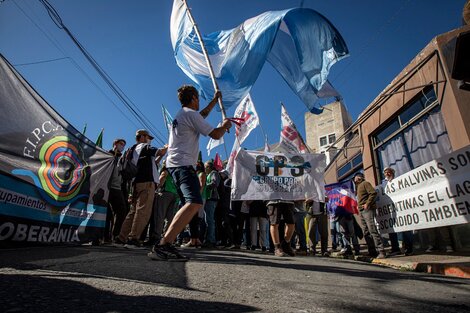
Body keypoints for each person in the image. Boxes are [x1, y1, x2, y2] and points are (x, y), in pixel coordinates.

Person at [148, 85, 232, 261]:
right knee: (194, 202)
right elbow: (216, 135)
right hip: (183, 165)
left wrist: (214, 101)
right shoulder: (190, 114)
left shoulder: (184, 114)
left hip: (175, 165)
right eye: (198, 98)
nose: (199, 101)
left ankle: (167, 243)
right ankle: (163, 245)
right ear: (194, 98)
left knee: (190, 204)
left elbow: (201, 115)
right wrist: (224, 126)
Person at [118, 130, 167, 249]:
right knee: (143, 211)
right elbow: (160, 151)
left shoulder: (134, 149)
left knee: (133, 211)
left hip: (137, 182)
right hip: (146, 183)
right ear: (142, 137)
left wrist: (161, 155)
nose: (149, 139)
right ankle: (133, 239)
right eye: (147, 137)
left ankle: (121, 238)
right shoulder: (144, 146)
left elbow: (154, 161)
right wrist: (168, 146)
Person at [353, 172, 387, 259]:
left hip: (367, 210)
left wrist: (367, 204)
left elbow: (373, 193)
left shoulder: (365, 183)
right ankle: (372, 251)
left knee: (372, 229)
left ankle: (381, 251)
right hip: (361, 211)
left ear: (359, 178)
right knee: (366, 232)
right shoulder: (358, 187)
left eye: (355, 178)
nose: (354, 180)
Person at [382, 167, 413, 256]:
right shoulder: (383, 183)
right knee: (392, 229)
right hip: (390, 209)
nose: (387, 174)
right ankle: (395, 248)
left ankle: (409, 248)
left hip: (401, 207)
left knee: (406, 227)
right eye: (385, 172)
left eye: (389, 172)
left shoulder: (399, 180)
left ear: (392, 172)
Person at [107, 138, 128, 244]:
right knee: (107, 213)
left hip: (117, 187)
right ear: (115, 144)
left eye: (124, 145)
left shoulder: (122, 158)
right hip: (107, 187)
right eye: (121, 144)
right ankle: (105, 237)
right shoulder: (107, 155)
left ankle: (115, 235)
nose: (122, 146)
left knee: (121, 211)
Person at [202, 160, 220, 248]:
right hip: (208, 199)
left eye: (205, 167)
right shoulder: (208, 174)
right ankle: (209, 239)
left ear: (209, 167)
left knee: (209, 220)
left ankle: (211, 240)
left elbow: (214, 183)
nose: (204, 169)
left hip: (211, 199)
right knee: (208, 220)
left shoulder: (213, 173)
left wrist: (204, 185)